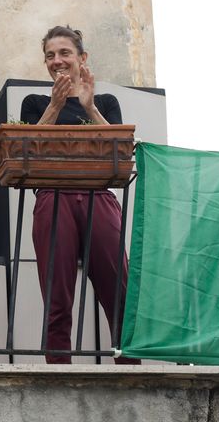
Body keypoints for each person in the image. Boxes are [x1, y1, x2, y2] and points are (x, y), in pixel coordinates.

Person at [20, 25, 139, 364]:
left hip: (98, 197)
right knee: (56, 294)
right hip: (52, 199)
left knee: (118, 289)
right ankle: (59, 371)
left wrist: (89, 107)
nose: (57, 61)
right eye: (50, 55)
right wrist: (55, 106)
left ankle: (131, 371)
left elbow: (120, 150)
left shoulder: (105, 102)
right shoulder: (35, 103)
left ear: (82, 58)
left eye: (64, 53)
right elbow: (26, 148)